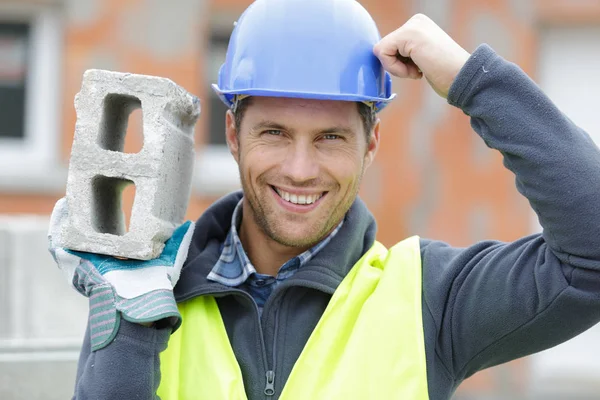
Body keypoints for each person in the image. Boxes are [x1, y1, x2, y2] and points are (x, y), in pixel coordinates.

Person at [48, 0, 600, 399]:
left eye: (331, 138)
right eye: (275, 133)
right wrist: (127, 334)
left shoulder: (430, 299)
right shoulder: (150, 290)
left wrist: (470, 79)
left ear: (371, 144)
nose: (300, 169)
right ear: (235, 136)